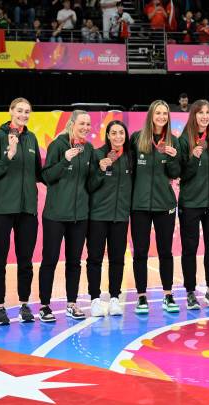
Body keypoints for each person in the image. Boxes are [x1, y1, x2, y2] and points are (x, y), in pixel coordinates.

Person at [0, 98, 43, 325]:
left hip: (27, 209)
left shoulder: (31, 138)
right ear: (10, 111)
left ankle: (24, 304)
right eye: (19, 110)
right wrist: (8, 155)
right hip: (1, 209)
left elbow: (39, 173)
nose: (23, 114)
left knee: (26, 260)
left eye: (27, 111)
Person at [39, 111, 93, 321]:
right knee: (50, 260)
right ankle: (44, 305)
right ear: (72, 124)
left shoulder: (87, 149)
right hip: (55, 215)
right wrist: (64, 161)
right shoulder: (58, 144)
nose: (86, 127)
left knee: (74, 262)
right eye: (82, 123)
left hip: (79, 216)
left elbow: (89, 182)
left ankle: (72, 303)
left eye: (88, 124)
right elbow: (46, 176)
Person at [130, 100, 181, 314]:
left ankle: (168, 295)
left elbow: (175, 173)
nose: (161, 117)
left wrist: (172, 157)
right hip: (139, 205)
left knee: (165, 252)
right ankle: (142, 297)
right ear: (151, 114)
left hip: (164, 205)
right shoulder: (136, 139)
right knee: (140, 252)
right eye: (158, 113)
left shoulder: (173, 141)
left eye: (165, 113)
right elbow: (130, 170)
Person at [86, 120, 133, 317]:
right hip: (97, 216)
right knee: (95, 259)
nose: (117, 137)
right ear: (107, 135)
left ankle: (115, 298)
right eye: (113, 133)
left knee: (117, 259)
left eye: (121, 133)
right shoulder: (97, 154)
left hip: (120, 217)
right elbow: (89, 185)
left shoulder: (129, 158)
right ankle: (95, 299)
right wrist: (100, 170)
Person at [178, 100, 209, 309]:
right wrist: (193, 158)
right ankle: (189, 291)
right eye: (200, 113)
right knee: (190, 248)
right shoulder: (184, 140)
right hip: (191, 203)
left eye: (208, 113)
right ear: (193, 115)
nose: (204, 116)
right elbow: (181, 174)